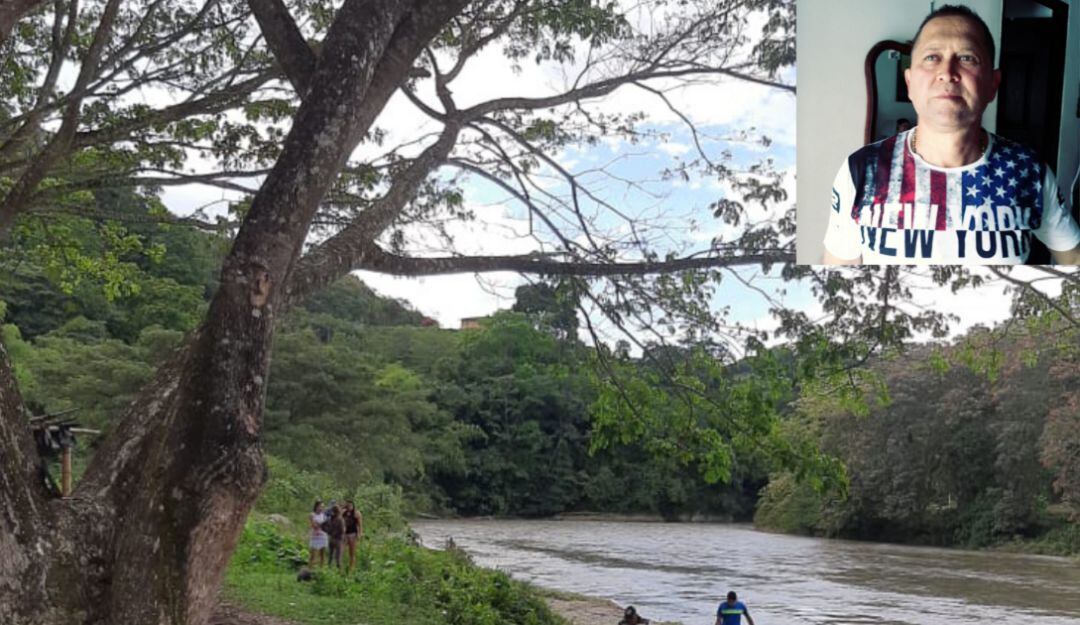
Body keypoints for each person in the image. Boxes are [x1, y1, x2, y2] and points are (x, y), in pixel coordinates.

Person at [824, 4, 1080, 265]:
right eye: (931, 57)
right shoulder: (861, 170)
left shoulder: (1029, 171)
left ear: (993, 84)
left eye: (967, 57)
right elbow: (837, 273)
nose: (947, 73)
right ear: (910, 83)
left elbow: (1073, 257)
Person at [342, 500, 364, 573]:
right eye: (347, 505)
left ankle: (352, 569)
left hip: (353, 534)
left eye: (350, 505)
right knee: (341, 551)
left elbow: (360, 525)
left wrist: (360, 533)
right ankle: (341, 567)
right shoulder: (343, 512)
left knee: (352, 552)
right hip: (345, 534)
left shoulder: (356, 513)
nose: (349, 507)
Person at [325, 505, 346, 569]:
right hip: (338, 539)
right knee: (337, 557)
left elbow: (328, 529)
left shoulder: (331, 519)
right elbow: (342, 530)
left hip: (333, 538)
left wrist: (331, 533)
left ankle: (329, 569)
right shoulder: (340, 519)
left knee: (331, 556)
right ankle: (339, 571)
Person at [308, 500, 328, 567]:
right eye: (320, 506)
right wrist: (322, 525)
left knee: (322, 554)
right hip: (315, 536)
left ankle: (321, 568)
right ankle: (310, 568)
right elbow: (314, 525)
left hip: (323, 535)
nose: (321, 508)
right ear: (316, 506)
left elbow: (327, 525)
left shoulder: (324, 515)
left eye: (323, 507)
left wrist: (321, 525)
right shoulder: (312, 515)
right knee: (313, 554)